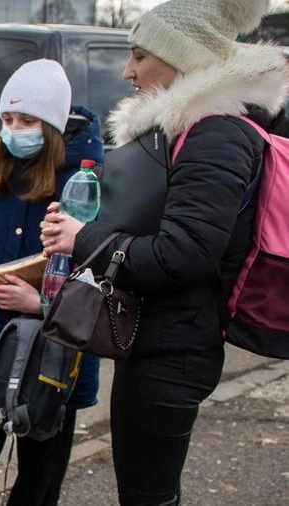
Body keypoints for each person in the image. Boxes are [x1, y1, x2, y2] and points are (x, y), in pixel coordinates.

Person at [39, 1, 287, 504]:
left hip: (173, 354)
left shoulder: (216, 134)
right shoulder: (191, 130)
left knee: (148, 496)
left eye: (139, 56)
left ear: (184, 58)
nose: (127, 71)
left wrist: (82, 238)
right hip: (159, 344)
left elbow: (183, 255)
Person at [0, 59, 103, 506]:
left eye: (27, 120)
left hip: (53, 363)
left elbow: (100, 282)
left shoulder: (86, 183)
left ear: (52, 125)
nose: (15, 129)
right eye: (7, 119)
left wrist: (39, 302)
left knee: (37, 482)